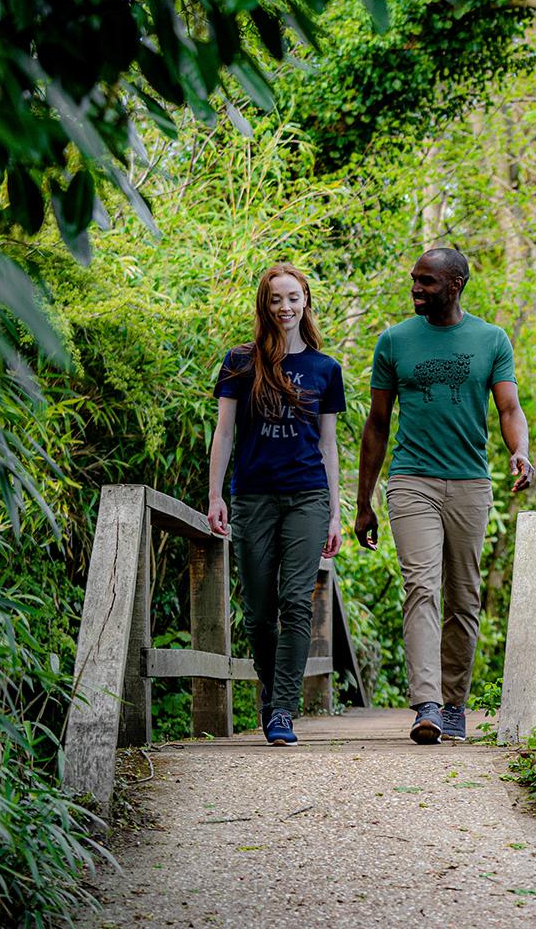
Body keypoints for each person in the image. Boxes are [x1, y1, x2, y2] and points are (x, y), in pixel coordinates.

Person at [354, 247, 533, 745]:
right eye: (415, 279)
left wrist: (520, 451)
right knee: (421, 587)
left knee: (464, 596)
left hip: (471, 483)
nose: (416, 288)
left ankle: (454, 705)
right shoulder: (394, 341)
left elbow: (509, 408)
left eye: (427, 282)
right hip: (412, 480)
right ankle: (427, 704)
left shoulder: (491, 339)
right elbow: (377, 425)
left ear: (455, 285)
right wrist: (364, 502)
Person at [207, 264, 345, 746]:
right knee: (259, 613)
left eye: (292, 298)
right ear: (264, 306)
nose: (285, 307)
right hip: (253, 496)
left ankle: (283, 708)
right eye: (275, 299)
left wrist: (334, 512)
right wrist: (215, 495)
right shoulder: (240, 361)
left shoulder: (325, 369)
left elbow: (328, 445)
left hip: (307, 494)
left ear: (305, 301)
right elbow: (225, 433)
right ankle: (271, 693)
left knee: (295, 601)